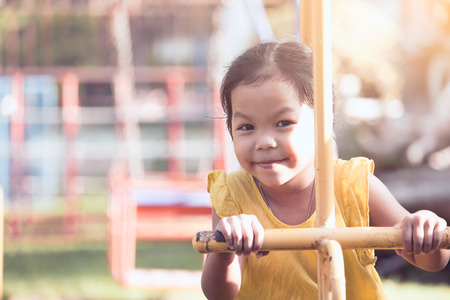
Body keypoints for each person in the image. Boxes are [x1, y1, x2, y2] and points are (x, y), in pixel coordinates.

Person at [200, 41, 449, 300]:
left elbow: (433, 260)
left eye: (283, 123)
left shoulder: (353, 184)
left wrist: (423, 227)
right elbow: (220, 294)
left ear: (323, 124)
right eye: (246, 127)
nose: (264, 142)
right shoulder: (234, 194)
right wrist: (226, 248)